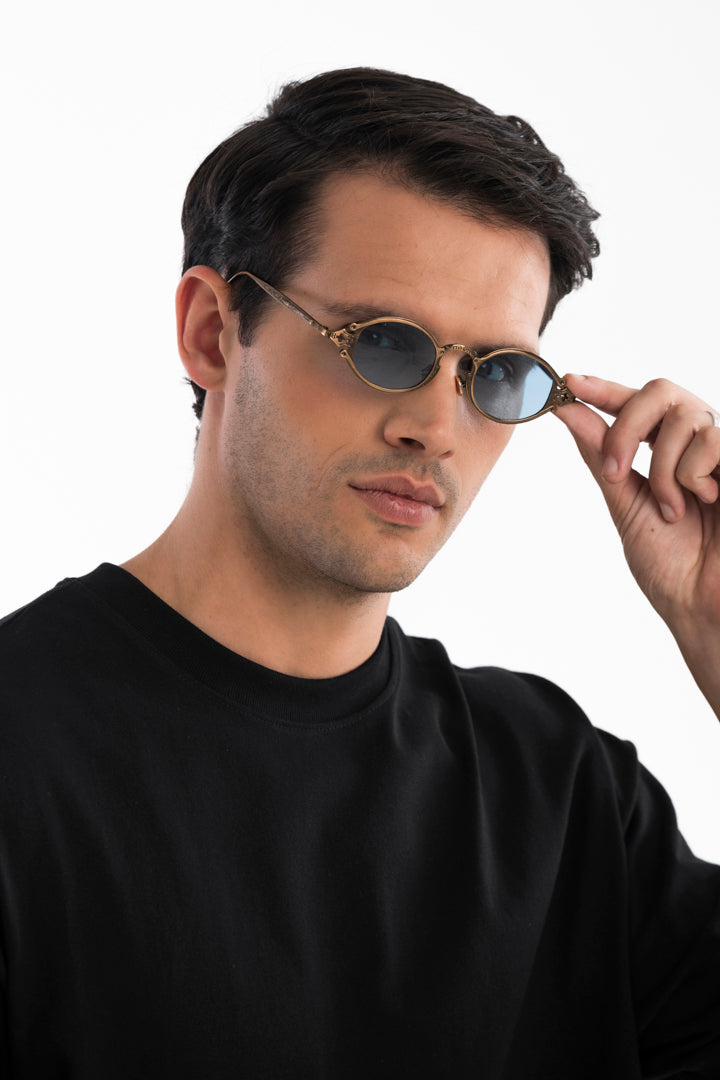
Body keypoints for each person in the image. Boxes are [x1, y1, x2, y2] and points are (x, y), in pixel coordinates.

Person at [1, 67, 718, 1079]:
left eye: (496, 375)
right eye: (385, 345)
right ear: (212, 333)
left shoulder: (560, 793)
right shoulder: (22, 752)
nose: (435, 428)